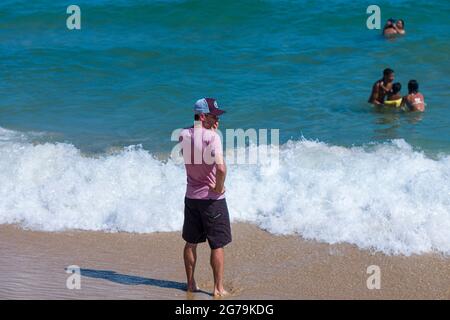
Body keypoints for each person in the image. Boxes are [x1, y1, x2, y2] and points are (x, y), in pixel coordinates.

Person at [179, 98, 232, 297]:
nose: (217, 120)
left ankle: (190, 283)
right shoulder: (213, 137)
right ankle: (218, 288)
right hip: (212, 200)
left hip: (191, 197)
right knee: (217, 245)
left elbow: (192, 133)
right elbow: (221, 168)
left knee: (191, 242)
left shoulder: (183, 135)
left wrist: (205, 127)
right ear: (202, 116)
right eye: (213, 116)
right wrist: (218, 188)